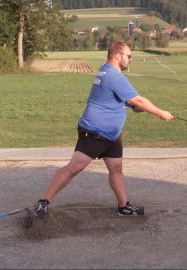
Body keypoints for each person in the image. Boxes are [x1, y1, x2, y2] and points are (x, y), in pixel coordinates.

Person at [34, 40, 175, 218]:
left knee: (116, 168)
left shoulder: (106, 70)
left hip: (112, 134)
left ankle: (124, 207)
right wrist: (160, 113)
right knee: (73, 168)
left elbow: (122, 100)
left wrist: (132, 105)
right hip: (95, 132)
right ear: (117, 55)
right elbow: (138, 100)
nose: (131, 60)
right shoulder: (114, 76)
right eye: (129, 56)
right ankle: (43, 202)